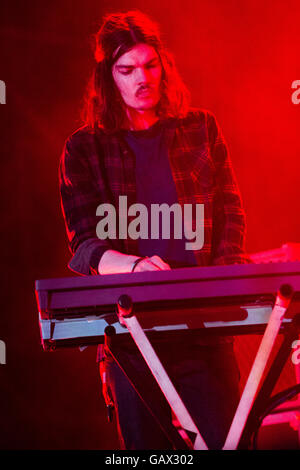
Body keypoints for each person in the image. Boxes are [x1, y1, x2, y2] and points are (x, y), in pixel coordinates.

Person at [59, 10, 250, 450]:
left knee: (229, 442)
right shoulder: (83, 147)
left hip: (204, 330)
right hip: (132, 339)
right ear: (109, 78)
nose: (142, 78)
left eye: (150, 65)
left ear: (164, 65)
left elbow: (230, 212)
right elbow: (86, 245)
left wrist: (226, 284)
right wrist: (137, 266)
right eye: (127, 70)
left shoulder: (199, 128)